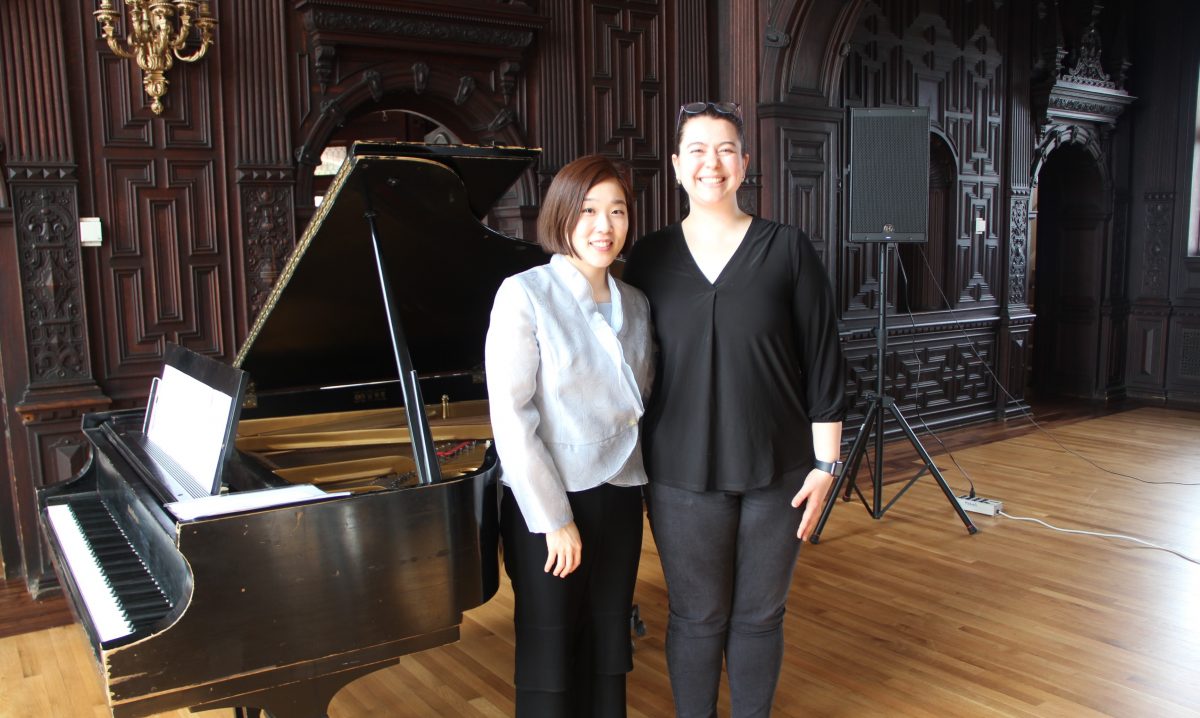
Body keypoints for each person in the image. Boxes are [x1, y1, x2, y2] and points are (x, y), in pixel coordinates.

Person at [622, 101, 847, 718]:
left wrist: (827, 468)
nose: (711, 163)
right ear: (675, 165)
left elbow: (825, 362)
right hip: (679, 471)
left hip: (781, 470)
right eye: (696, 149)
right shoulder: (647, 257)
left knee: (758, 617)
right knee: (697, 616)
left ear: (745, 163)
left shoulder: (788, 249)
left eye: (725, 149)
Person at [485, 154, 654, 718]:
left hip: (622, 493)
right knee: (550, 646)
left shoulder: (637, 303)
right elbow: (512, 416)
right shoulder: (524, 293)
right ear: (561, 215)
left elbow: (642, 397)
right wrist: (554, 519)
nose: (603, 226)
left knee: (610, 640)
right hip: (550, 501)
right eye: (587, 210)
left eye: (616, 211)